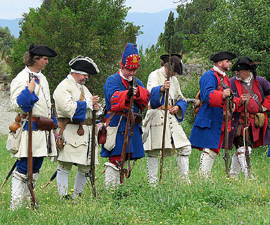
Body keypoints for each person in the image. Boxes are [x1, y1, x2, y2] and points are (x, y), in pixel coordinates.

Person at [100, 43, 161, 188]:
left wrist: (138, 92)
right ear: (122, 66)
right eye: (129, 69)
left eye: (134, 70)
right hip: (117, 123)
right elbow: (113, 98)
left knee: (126, 157)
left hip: (132, 125)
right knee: (115, 157)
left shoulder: (137, 82)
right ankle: (110, 189)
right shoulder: (112, 80)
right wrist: (127, 94)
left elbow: (145, 100)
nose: (132, 73)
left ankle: (120, 188)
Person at [9, 43, 58, 209]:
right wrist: (28, 92)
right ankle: (16, 206)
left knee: (36, 166)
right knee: (23, 168)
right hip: (30, 129)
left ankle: (28, 201)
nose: (47, 61)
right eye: (44, 58)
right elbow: (17, 105)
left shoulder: (42, 77)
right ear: (35, 59)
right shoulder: (22, 78)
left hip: (42, 130)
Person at [53, 56, 101, 199]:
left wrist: (96, 108)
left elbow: (89, 108)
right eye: (84, 74)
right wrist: (87, 103)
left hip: (86, 133)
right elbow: (68, 108)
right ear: (75, 72)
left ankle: (76, 196)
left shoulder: (83, 88)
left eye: (87, 75)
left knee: (86, 166)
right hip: (69, 131)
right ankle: (63, 197)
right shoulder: (63, 87)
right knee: (65, 165)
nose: (86, 77)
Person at [189, 51, 240, 177]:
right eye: (228, 61)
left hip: (219, 119)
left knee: (213, 149)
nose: (230, 63)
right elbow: (207, 95)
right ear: (219, 62)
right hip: (209, 117)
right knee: (209, 149)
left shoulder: (224, 78)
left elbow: (228, 97)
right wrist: (222, 94)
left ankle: (204, 177)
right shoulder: (209, 76)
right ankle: (202, 178)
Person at [142, 54, 191, 185]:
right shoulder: (154, 75)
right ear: (166, 66)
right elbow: (150, 95)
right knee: (154, 151)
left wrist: (177, 107)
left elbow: (181, 98)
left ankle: (184, 181)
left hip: (170, 115)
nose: (175, 74)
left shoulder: (174, 79)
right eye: (173, 71)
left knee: (185, 147)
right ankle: (152, 184)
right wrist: (162, 88)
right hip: (156, 115)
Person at [229, 56, 270, 178]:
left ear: (248, 71)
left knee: (245, 149)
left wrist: (264, 107)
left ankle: (233, 175)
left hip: (253, 122)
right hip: (238, 121)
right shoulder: (232, 82)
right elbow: (228, 98)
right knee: (243, 148)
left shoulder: (259, 81)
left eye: (240, 70)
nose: (237, 72)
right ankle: (247, 174)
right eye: (236, 70)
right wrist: (239, 101)